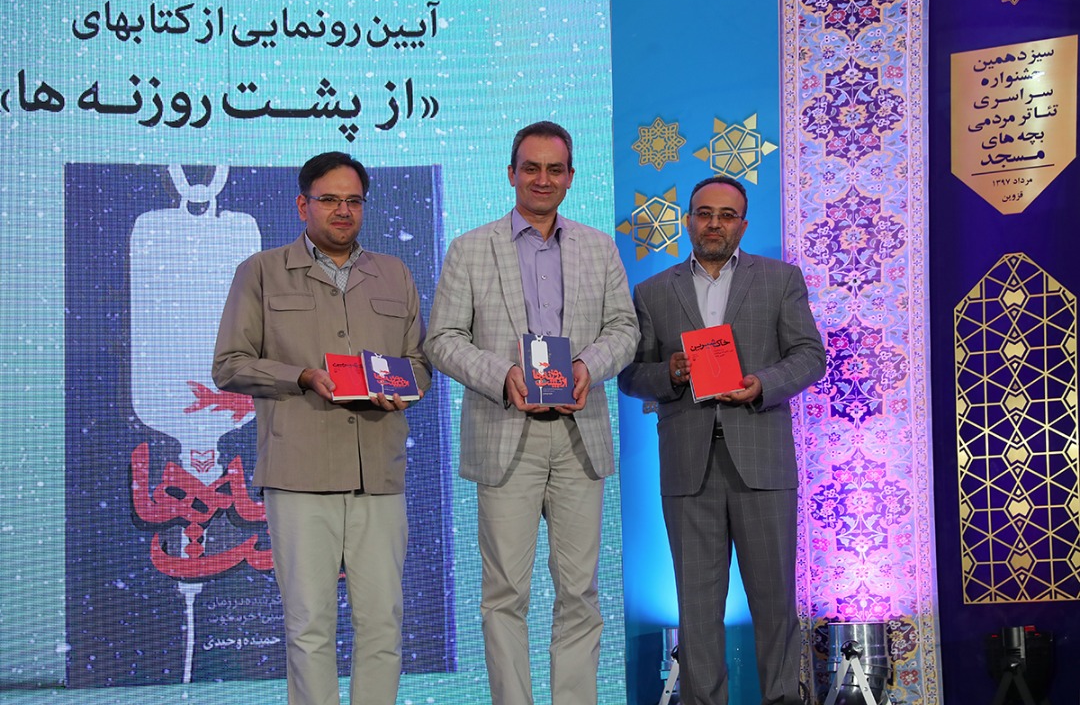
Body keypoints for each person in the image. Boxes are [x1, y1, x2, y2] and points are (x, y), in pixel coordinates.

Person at [425, 121, 638, 705]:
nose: (543, 179)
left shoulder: (599, 246)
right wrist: (504, 376)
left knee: (580, 592)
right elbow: (442, 339)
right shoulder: (471, 248)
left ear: (570, 177)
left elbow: (625, 329)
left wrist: (588, 366)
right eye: (531, 168)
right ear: (511, 173)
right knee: (504, 596)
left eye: (555, 169)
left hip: (578, 435)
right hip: (505, 434)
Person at [212, 151, 430, 705]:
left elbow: (419, 363)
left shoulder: (394, 274)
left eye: (353, 201)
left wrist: (404, 386)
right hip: (298, 473)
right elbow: (230, 365)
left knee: (383, 622)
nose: (342, 211)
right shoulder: (261, 272)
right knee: (309, 625)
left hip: (378, 473)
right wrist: (302, 376)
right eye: (329, 199)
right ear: (302, 205)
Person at [618, 175, 826, 705]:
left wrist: (762, 384)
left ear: (743, 225)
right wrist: (670, 372)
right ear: (688, 221)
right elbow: (630, 375)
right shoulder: (652, 291)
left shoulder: (780, 279)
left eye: (726, 215)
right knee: (696, 609)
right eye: (705, 213)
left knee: (775, 603)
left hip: (762, 461)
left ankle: (783, 699)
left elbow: (809, 355)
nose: (715, 223)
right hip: (688, 467)